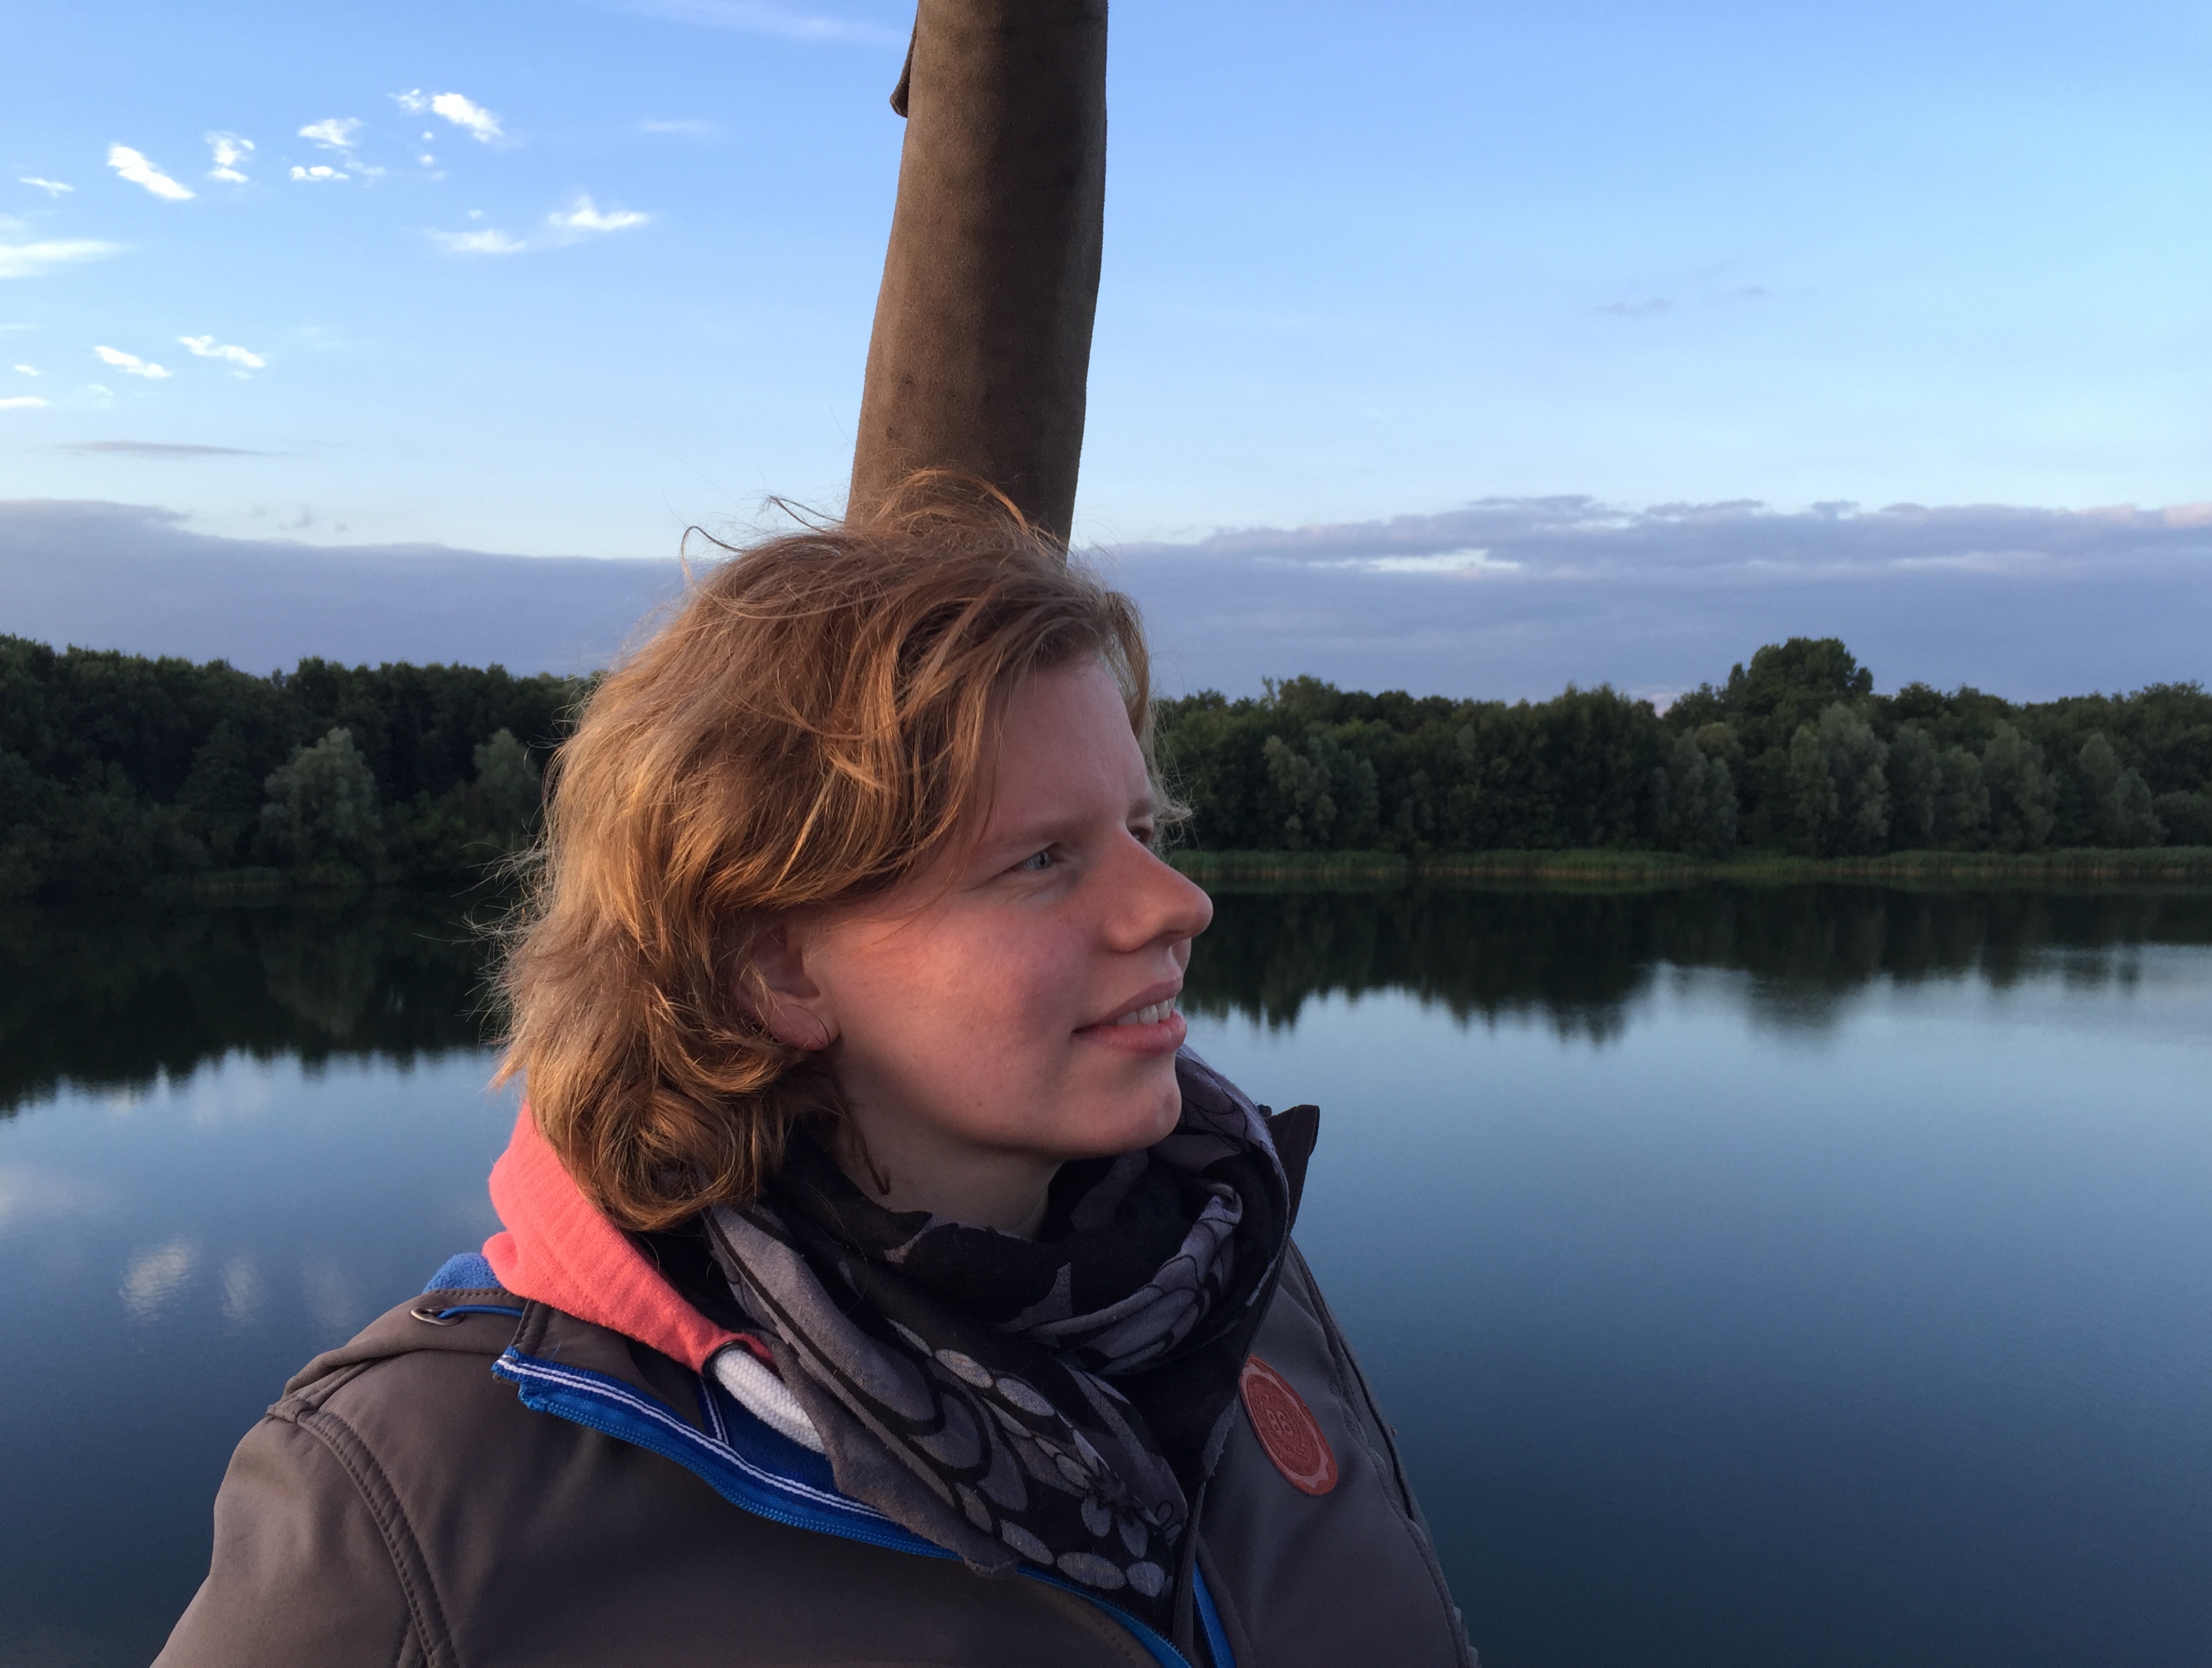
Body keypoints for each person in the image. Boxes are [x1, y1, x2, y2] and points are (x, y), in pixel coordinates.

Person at [157, 480, 1475, 1668]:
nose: (1177, 903)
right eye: (1042, 860)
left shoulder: (1236, 1279)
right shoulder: (417, 1507)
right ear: (779, 970)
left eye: (1142, 828)